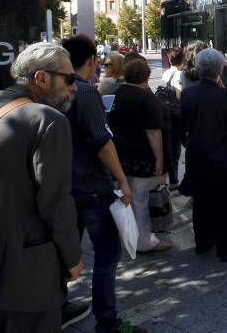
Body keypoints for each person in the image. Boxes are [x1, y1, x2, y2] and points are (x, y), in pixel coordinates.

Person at [0, 42, 84, 333]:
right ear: (41, 78)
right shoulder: (48, 120)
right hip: (27, 277)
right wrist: (73, 258)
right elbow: (56, 203)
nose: (75, 88)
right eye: (70, 79)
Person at [60, 36, 144, 333]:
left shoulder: (54, 93)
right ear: (92, 59)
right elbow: (102, 143)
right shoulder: (84, 93)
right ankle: (107, 322)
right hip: (93, 187)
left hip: (63, 187)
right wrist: (123, 180)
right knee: (107, 256)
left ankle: (59, 307)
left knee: (66, 251)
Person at [181, 48, 227, 262]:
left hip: (197, 157)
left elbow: (184, 123)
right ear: (220, 69)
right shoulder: (226, 96)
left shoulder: (188, 94)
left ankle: (203, 243)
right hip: (222, 158)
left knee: (201, 202)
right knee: (225, 205)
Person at [107, 56, 172, 254]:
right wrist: (159, 160)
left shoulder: (116, 94)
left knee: (129, 199)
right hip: (144, 158)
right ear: (147, 75)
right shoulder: (146, 98)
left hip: (122, 156)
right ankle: (144, 241)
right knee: (142, 202)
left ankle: (129, 237)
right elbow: (153, 132)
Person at [160, 47, 185, 189]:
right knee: (175, 148)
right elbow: (179, 95)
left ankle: (169, 179)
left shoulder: (166, 73)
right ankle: (174, 181)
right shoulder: (179, 75)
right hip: (175, 116)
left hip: (165, 114)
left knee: (168, 146)